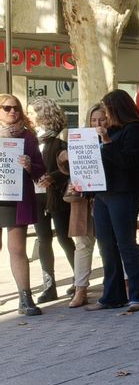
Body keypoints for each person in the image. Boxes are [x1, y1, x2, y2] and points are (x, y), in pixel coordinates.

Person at [86, 90, 139, 312]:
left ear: (116, 109)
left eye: (107, 110)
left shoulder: (134, 130)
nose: (104, 115)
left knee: (126, 243)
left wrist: (107, 142)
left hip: (124, 192)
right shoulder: (110, 131)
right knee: (106, 245)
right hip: (103, 193)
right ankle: (112, 296)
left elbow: (129, 163)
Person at [0, 94, 48, 315]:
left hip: (17, 197)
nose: (13, 111)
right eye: (7, 108)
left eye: (16, 108)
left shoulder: (28, 137)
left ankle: (25, 298)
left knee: (17, 249)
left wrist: (30, 166)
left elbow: (41, 168)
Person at [28, 97, 75, 303]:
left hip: (56, 195)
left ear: (42, 114)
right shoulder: (30, 139)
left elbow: (69, 167)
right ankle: (49, 286)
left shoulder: (60, 140)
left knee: (64, 237)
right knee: (43, 239)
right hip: (35, 195)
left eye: (31, 112)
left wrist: (53, 177)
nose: (28, 116)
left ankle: (79, 280)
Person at [60, 104, 103, 307]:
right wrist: (64, 158)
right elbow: (66, 168)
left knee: (110, 244)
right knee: (83, 245)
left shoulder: (114, 138)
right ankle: (80, 289)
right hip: (83, 200)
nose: (97, 123)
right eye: (93, 120)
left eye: (101, 119)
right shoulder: (80, 139)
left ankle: (123, 283)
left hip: (105, 198)